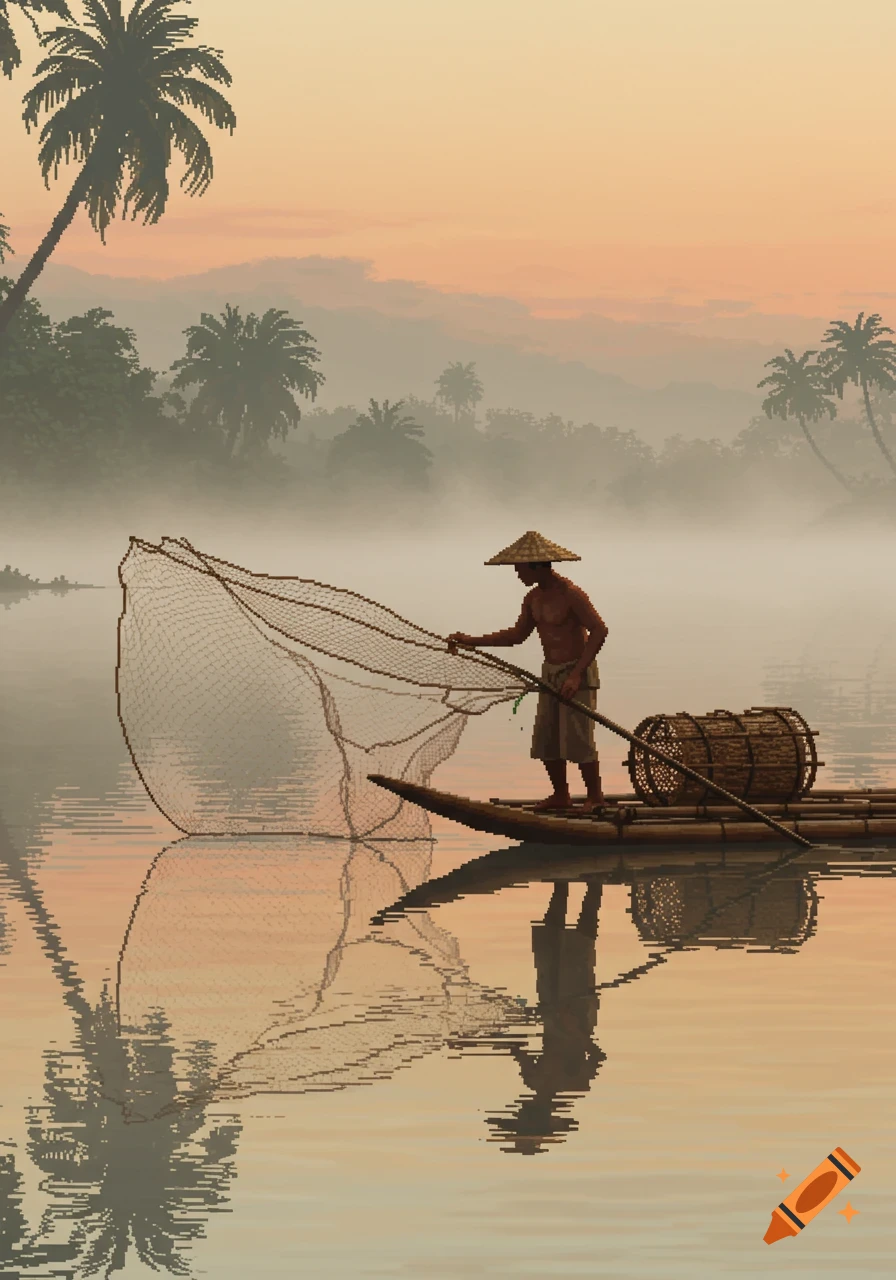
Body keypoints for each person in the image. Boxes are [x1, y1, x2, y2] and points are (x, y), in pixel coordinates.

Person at [448, 530, 608, 811]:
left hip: (577, 673)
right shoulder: (533, 598)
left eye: (520, 568)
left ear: (537, 566)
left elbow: (599, 630)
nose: (517, 573)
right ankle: (561, 795)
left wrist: (576, 674)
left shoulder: (571, 594)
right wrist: (471, 641)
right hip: (550, 673)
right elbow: (517, 635)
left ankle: (595, 797)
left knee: (578, 737)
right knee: (547, 736)